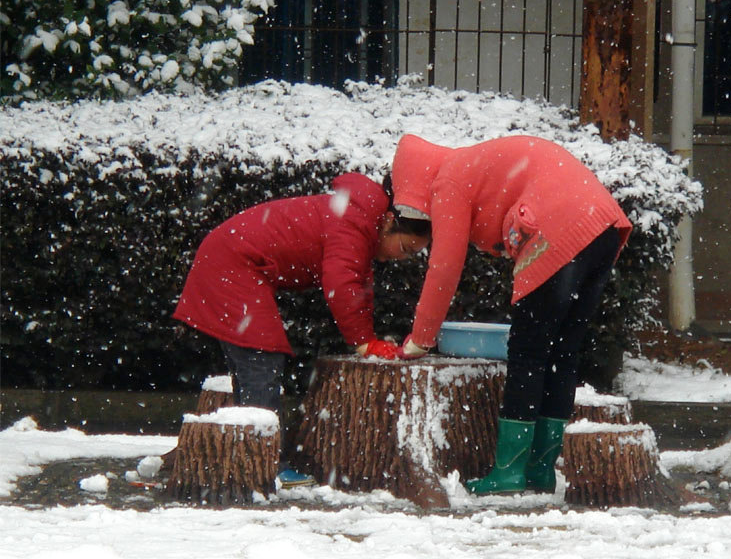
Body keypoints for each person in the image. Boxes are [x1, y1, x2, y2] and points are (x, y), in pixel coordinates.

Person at [391, 134, 632, 495]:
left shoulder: (448, 180)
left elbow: (444, 267)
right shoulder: (474, 164)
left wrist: (421, 338)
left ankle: (508, 472)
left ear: (414, 183)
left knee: (528, 353)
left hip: (560, 227)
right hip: (604, 225)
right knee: (563, 352)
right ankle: (541, 469)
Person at [174, 172, 430, 487]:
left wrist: (368, 339)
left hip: (231, 259)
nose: (400, 258)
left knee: (254, 365)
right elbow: (342, 283)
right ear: (389, 222)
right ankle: (265, 463)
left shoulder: (360, 221)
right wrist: (364, 342)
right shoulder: (355, 224)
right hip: (234, 264)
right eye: (404, 248)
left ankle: (246, 455)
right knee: (261, 358)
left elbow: (358, 285)